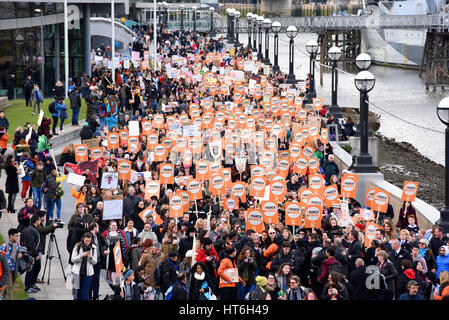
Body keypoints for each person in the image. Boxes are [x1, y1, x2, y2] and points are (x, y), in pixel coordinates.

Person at [71, 232, 97, 300]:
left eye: (89, 241)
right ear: (83, 239)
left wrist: (91, 257)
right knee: (77, 293)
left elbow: (95, 262)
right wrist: (81, 256)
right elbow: (73, 259)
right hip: (77, 273)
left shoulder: (93, 248)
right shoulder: (77, 246)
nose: (87, 242)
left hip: (88, 274)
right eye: (86, 241)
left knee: (85, 292)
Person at [20, 215, 41, 294]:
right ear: (36, 221)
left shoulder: (32, 229)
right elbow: (31, 244)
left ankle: (32, 284)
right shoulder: (31, 230)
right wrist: (35, 255)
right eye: (39, 220)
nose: (40, 221)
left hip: (32, 253)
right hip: (31, 254)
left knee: (37, 268)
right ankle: (28, 287)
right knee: (30, 270)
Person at [0, 228, 22, 300]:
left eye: (18, 236)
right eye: (16, 236)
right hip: (7, 269)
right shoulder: (4, 246)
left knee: (10, 285)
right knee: (9, 285)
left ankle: (2, 296)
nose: (17, 237)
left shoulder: (17, 244)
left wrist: (21, 254)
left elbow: (21, 250)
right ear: (11, 236)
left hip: (14, 268)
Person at [88, 222, 108, 300]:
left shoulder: (99, 235)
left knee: (96, 280)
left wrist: (104, 250)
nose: (98, 228)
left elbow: (105, 244)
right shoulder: (88, 235)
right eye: (97, 227)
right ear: (94, 228)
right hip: (91, 261)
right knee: (90, 279)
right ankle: (89, 295)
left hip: (98, 261)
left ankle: (95, 296)